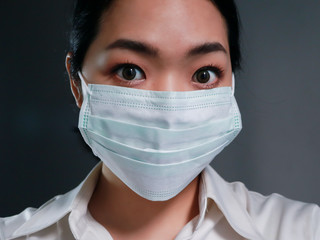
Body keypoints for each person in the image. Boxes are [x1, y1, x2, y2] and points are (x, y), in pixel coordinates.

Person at [1, 0, 319, 239]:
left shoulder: (304, 230)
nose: (168, 111)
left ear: (230, 83)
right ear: (76, 82)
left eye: (203, 74)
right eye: (130, 71)